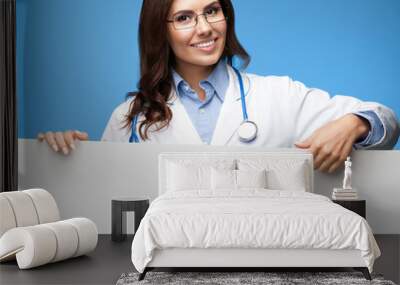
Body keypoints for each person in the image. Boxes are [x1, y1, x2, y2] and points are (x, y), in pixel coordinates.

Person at [38, 0, 400, 173]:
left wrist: (354, 123)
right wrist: (67, 153)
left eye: (212, 10)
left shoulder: (279, 95)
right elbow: (104, 189)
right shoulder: (130, 118)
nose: (206, 27)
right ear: (159, 31)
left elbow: (387, 121)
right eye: (184, 18)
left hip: (266, 261)